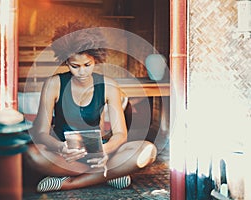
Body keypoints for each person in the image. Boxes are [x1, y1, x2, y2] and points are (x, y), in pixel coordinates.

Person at [24, 21, 157, 192]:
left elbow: (120, 134)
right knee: (31, 154)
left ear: (95, 59)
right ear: (66, 62)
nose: (82, 72)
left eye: (87, 65)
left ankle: (69, 183)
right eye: (75, 66)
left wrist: (104, 151)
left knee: (148, 150)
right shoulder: (54, 84)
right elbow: (41, 132)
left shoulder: (109, 85)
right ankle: (109, 174)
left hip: (101, 152)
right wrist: (60, 147)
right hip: (66, 155)